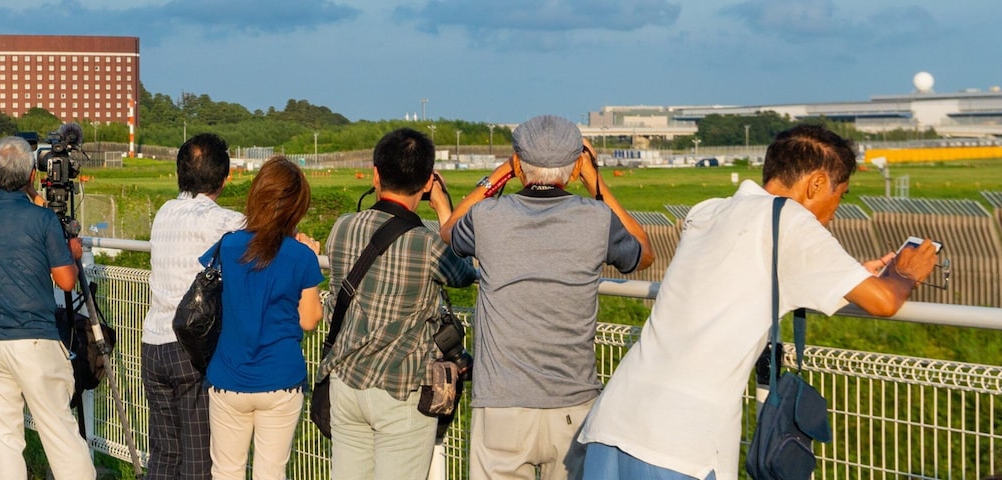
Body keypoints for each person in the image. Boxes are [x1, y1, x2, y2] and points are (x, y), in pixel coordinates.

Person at [577, 125, 939, 480]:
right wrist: (906, 273)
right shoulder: (791, 220)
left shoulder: (709, 211)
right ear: (816, 183)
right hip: (681, 443)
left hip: (614, 422)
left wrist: (850, 275)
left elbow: (745, 274)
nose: (835, 210)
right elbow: (884, 301)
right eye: (839, 194)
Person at [440, 114, 654, 480]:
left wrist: (498, 175)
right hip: (573, 401)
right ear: (573, 170)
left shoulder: (489, 216)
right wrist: (596, 182)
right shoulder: (596, 218)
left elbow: (448, 230)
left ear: (519, 165)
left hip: (501, 404)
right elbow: (644, 252)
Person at [322, 129, 477, 479]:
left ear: (375, 175)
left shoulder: (343, 226)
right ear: (426, 181)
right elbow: (464, 273)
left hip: (345, 381)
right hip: (400, 388)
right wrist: (441, 205)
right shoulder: (427, 243)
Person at [0, 137, 94, 480]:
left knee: (2, 441)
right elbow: (65, 282)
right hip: (34, 339)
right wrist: (72, 256)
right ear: (33, 174)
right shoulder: (42, 220)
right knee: (60, 434)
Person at [206, 156, 326, 480]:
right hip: (280, 378)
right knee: (271, 473)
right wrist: (310, 256)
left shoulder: (228, 245)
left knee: (226, 472)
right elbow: (309, 319)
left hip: (228, 376)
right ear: (296, 206)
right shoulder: (302, 256)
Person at [140, 133, 243, 480]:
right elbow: (266, 238)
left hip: (154, 345)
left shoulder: (164, 212)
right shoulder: (222, 220)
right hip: (191, 349)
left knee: (165, 454)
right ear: (224, 178)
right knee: (199, 459)